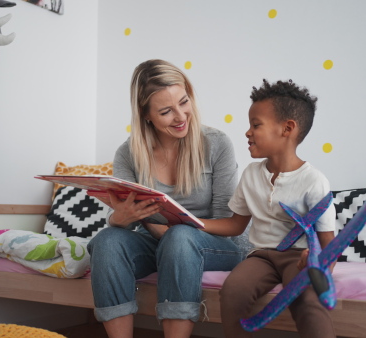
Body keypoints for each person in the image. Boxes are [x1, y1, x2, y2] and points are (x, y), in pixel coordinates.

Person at [87, 59, 243, 338]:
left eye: (184, 102)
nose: (181, 116)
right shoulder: (129, 153)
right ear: (146, 115)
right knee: (106, 241)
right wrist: (119, 219)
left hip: (220, 245)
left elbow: (227, 220)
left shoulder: (217, 143)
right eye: (166, 111)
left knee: (180, 237)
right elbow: (132, 222)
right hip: (162, 241)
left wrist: (174, 231)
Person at [200, 79, 337, 338]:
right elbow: (235, 224)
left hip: (297, 257)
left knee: (306, 298)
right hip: (261, 256)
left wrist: (320, 270)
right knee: (233, 291)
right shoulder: (251, 174)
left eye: (255, 125)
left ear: (287, 129)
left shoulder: (313, 181)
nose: (247, 132)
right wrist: (192, 221)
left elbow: (329, 241)